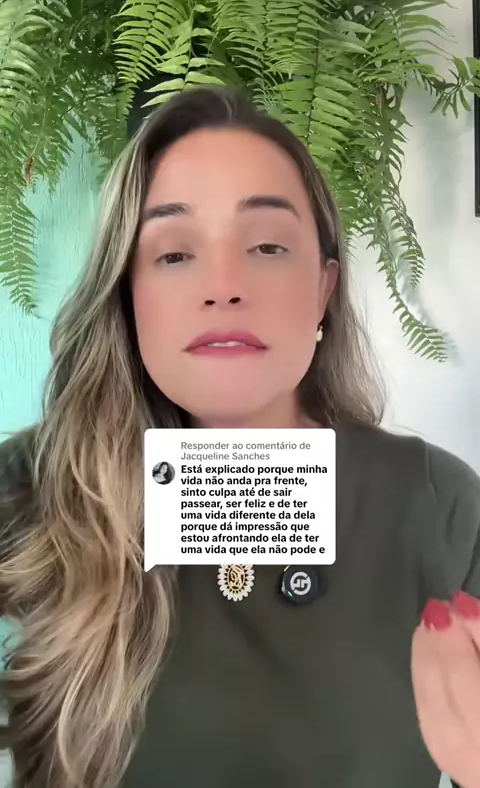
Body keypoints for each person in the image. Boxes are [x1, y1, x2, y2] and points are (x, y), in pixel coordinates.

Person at [0, 86, 479, 788]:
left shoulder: (438, 504)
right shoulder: (39, 485)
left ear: (324, 289)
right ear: (127, 296)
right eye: (174, 254)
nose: (223, 286)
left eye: (267, 245)